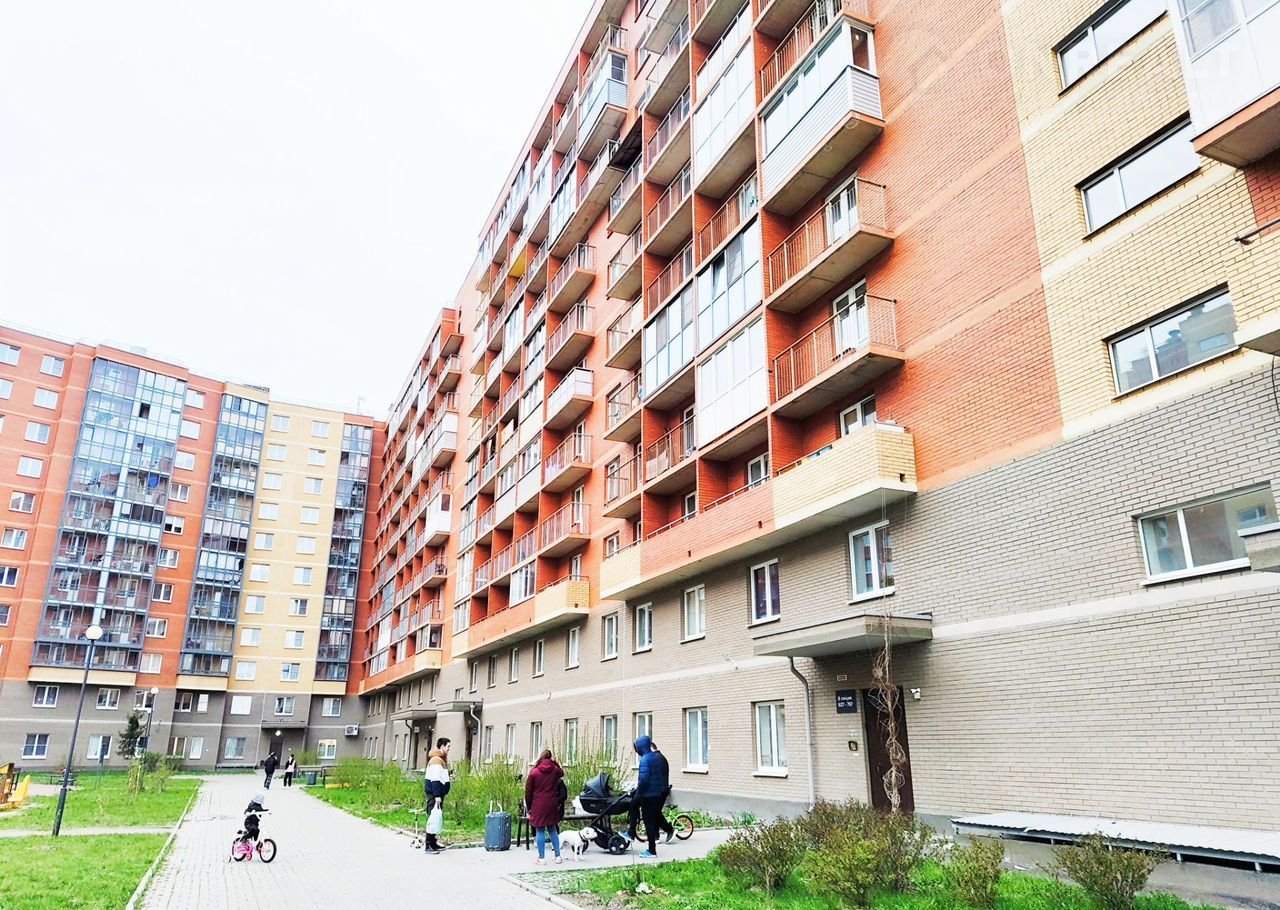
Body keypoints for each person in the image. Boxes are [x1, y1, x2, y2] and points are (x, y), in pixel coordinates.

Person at [627, 735, 673, 858]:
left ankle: (651, 850)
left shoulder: (645, 760)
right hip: (657, 793)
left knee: (648, 822)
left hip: (648, 795)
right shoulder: (657, 757)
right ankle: (632, 833)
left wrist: (639, 792)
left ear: (639, 747)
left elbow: (644, 779)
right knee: (648, 816)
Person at [524, 749, 565, 865]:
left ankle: (541, 858)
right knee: (552, 830)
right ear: (550, 758)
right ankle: (558, 856)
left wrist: (529, 807)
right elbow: (562, 773)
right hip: (552, 803)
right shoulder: (555, 770)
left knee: (540, 830)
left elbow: (528, 792)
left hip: (538, 804)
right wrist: (555, 762)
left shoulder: (534, 772)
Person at [423, 737, 452, 854]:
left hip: (438, 794)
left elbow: (440, 776)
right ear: (442, 746)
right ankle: (428, 844)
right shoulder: (436, 760)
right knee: (433, 817)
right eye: (448, 746)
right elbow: (435, 779)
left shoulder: (440, 759)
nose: (449, 749)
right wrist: (437, 796)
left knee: (436, 817)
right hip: (435, 794)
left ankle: (433, 842)